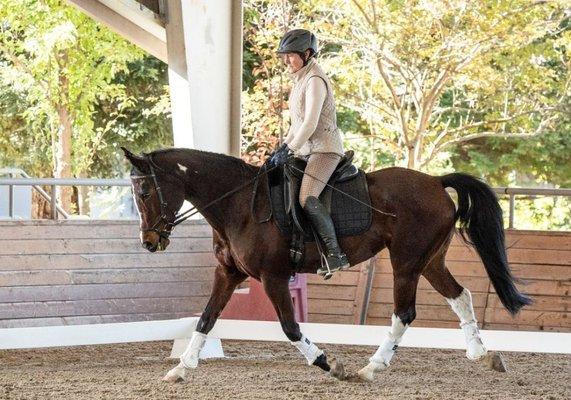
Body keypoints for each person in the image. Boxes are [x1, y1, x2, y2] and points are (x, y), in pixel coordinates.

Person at [270, 28, 349, 278]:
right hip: (306, 151)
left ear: (306, 54)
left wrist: (290, 149)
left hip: (324, 150)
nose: (286, 61)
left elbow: (311, 123)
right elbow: (296, 124)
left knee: (307, 198)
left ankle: (335, 255)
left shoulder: (315, 80)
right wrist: (284, 148)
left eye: (290, 56)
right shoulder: (300, 79)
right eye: (284, 56)